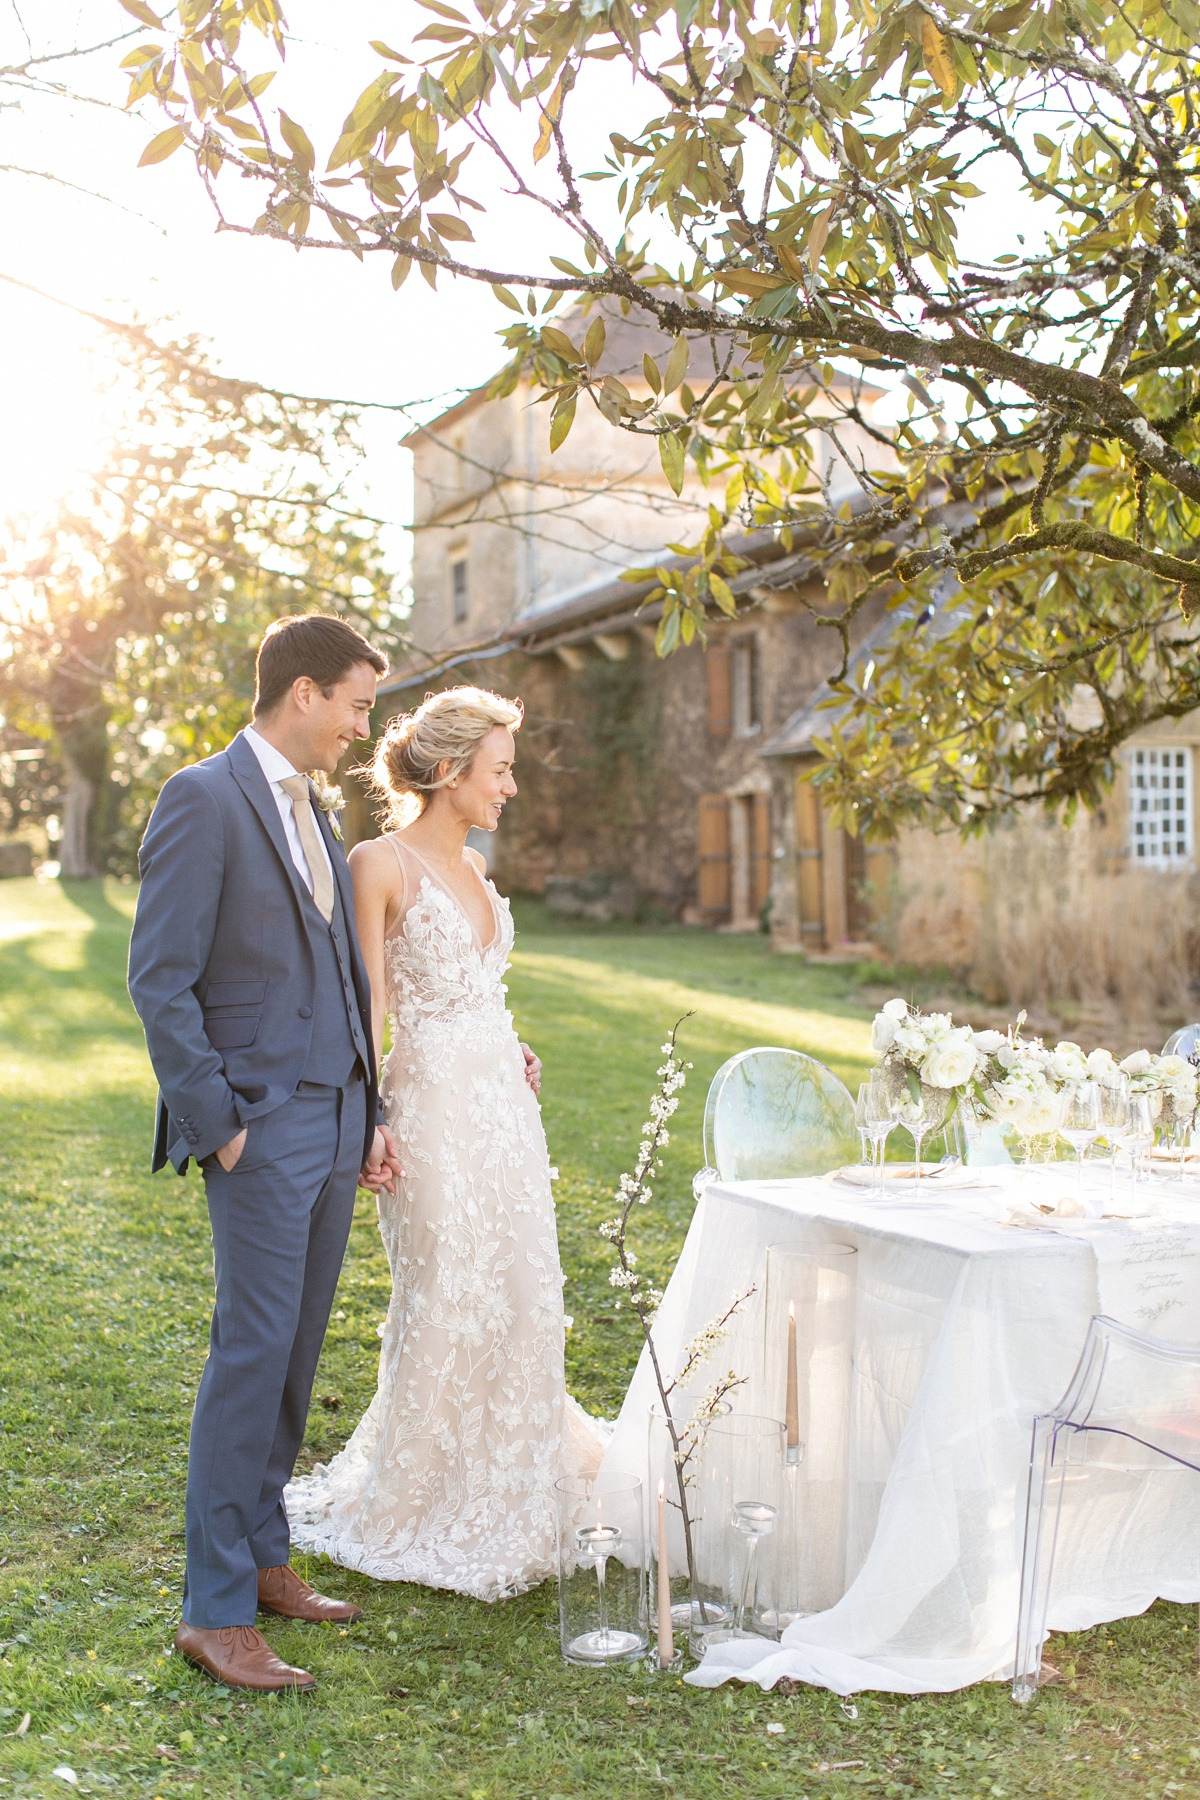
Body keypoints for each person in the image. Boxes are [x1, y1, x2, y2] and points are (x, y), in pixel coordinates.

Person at [128, 613, 403, 1693]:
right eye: (356, 704)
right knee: (250, 1354)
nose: (358, 727)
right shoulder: (202, 798)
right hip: (262, 1126)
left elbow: (340, 975)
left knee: (294, 1354)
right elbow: (161, 978)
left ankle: (265, 1556)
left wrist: (369, 1110)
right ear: (302, 693)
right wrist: (224, 1125)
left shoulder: (315, 811)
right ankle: (213, 1607)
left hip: (335, 1119)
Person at [285, 686, 604, 1599]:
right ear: (453, 771)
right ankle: (418, 1494)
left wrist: (515, 1044)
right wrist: (371, 1117)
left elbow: (477, 992)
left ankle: (510, 1474)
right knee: (446, 1287)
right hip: (426, 1115)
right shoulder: (377, 863)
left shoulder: (478, 873)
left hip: (503, 1111)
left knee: (519, 1284)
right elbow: (369, 1007)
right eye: (500, 772)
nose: (509, 789)